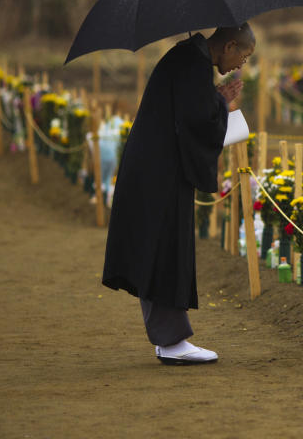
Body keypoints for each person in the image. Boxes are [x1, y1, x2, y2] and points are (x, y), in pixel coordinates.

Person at [102, 24, 254, 365]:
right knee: (165, 249)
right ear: (229, 45)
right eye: (243, 55)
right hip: (160, 171)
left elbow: (190, 111)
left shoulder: (191, 58)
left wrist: (214, 97)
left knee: (158, 248)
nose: (240, 65)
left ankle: (166, 337)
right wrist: (221, 99)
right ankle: (171, 342)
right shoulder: (192, 62)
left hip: (157, 167)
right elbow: (197, 121)